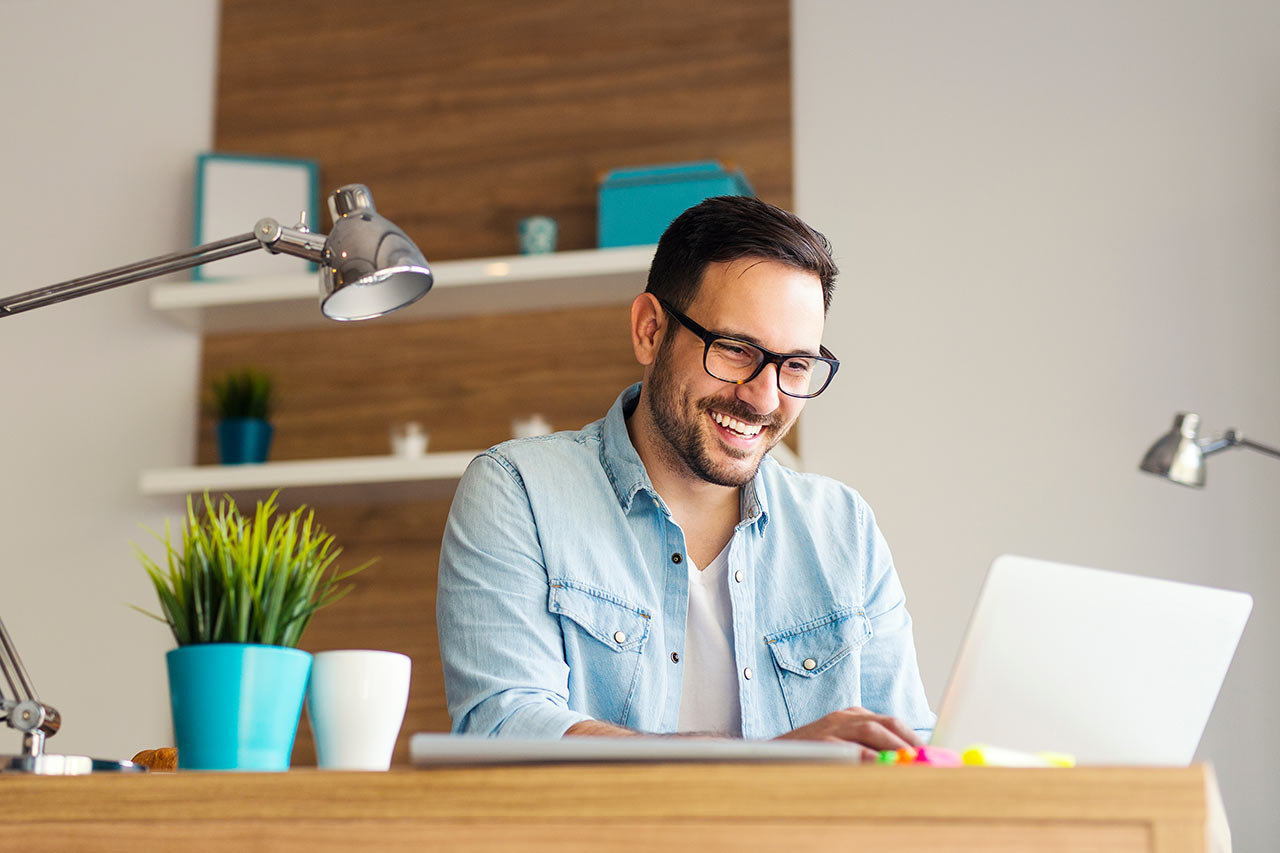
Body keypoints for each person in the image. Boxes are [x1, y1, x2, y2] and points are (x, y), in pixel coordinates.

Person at [437, 196, 934, 758]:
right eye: (735, 349)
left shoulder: (845, 527)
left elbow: (909, 747)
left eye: (795, 364)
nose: (764, 397)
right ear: (650, 330)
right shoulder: (518, 491)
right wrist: (769, 764)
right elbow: (505, 725)